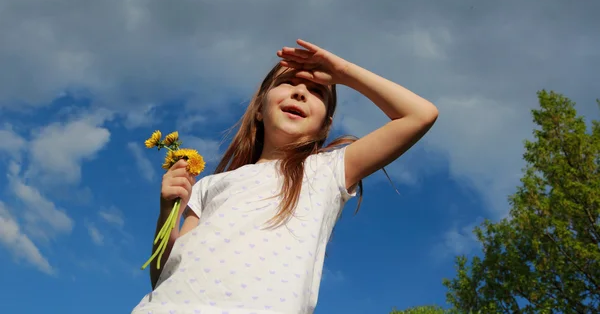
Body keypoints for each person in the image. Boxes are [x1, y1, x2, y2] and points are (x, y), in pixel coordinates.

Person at [131, 39, 438, 314]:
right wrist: (168, 213)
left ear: (325, 126)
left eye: (316, 90)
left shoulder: (327, 170)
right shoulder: (210, 185)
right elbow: (164, 275)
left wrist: (342, 72)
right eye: (288, 83)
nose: (301, 91)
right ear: (260, 110)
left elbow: (419, 115)